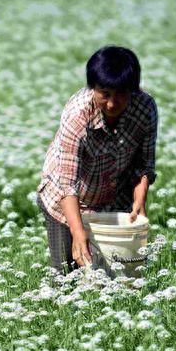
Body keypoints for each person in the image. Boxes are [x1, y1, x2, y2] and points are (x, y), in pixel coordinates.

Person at [36, 45, 159, 275]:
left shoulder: (145, 108)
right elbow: (66, 184)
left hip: (113, 195)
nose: (112, 104)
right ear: (93, 88)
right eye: (105, 94)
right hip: (64, 201)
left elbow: (145, 164)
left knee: (119, 271)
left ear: (134, 89)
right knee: (66, 272)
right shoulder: (78, 115)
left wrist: (140, 196)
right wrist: (78, 231)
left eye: (121, 93)